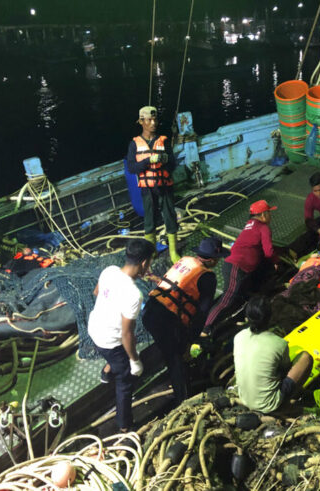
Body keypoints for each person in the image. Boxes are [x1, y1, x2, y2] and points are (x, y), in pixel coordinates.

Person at [142, 237, 227, 404]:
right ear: (211, 260)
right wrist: (191, 340)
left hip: (150, 310)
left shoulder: (185, 260)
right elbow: (202, 312)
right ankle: (184, 401)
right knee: (177, 359)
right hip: (166, 319)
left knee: (170, 350)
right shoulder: (207, 277)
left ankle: (174, 365)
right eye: (217, 259)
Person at [87, 239, 155, 431]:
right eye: (148, 263)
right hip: (110, 340)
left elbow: (96, 292)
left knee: (113, 356)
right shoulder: (134, 295)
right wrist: (135, 360)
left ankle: (106, 372)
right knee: (125, 380)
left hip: (94, 328)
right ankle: (124, 426)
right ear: (144, 263)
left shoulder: (109, 270)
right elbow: (127, 334)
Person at [202, 200, 281, 336]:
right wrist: (276, 261)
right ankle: (206, 328)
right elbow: (268, 252)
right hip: (236, 267)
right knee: (227, 298)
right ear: (263, 215)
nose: (270, 216)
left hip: (239, 267)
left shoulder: (250, 225)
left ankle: (244, 313)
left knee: (238, 295)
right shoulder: (263, 228)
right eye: (269, 213)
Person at [233, 296, 313, 413]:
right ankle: (285, 404)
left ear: (247, 317)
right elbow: (286, 369)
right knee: (306, 358)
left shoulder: (239, 337)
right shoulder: (278, 343)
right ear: (270, 318)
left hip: (244, 398)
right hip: (269, 405)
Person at [126, 106, 181, 263]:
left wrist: (164, 162)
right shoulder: (134, 145)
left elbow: (173, 164)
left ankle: (173, 251)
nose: (153, 123)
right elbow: (131, 168)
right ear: (141, 122)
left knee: (170, 217)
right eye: (149, 120)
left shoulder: (163, 142)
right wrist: (147, 161)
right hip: (147, 188)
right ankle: (152, 251)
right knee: (149, 220)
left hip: (164, 186)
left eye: (155, 119)